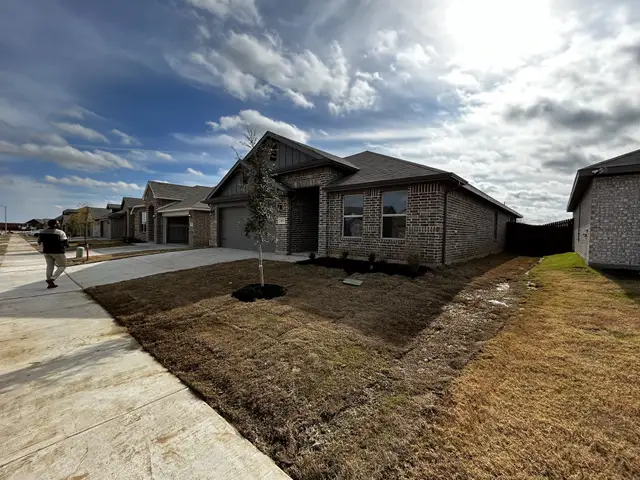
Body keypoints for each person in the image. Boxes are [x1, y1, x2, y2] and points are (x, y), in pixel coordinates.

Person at [37, 219, 69, 289]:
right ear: (55, 225)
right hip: (58, 252)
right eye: (58, 223)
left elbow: (39, 241)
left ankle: (50, 283)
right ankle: (52, 279)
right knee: (62, 266)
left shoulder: (42, 232)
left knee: (49, 267)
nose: (59, 224)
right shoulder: (60, 232)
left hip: (46, 252)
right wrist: (66, 246)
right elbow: (65, 243)